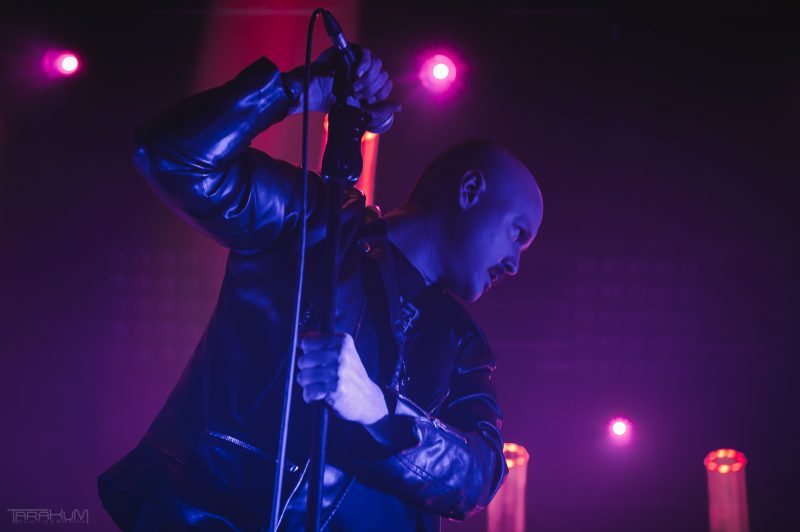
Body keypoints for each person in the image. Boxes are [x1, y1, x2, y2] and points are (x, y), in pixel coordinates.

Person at [97, 42, 543, 531]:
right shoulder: (312, 220)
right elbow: (172, 156)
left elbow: (479, 477)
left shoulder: (463, 343)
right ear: (471, 190)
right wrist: (297, 91)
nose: (516, 264)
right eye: (518, 233)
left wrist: (377, 409)